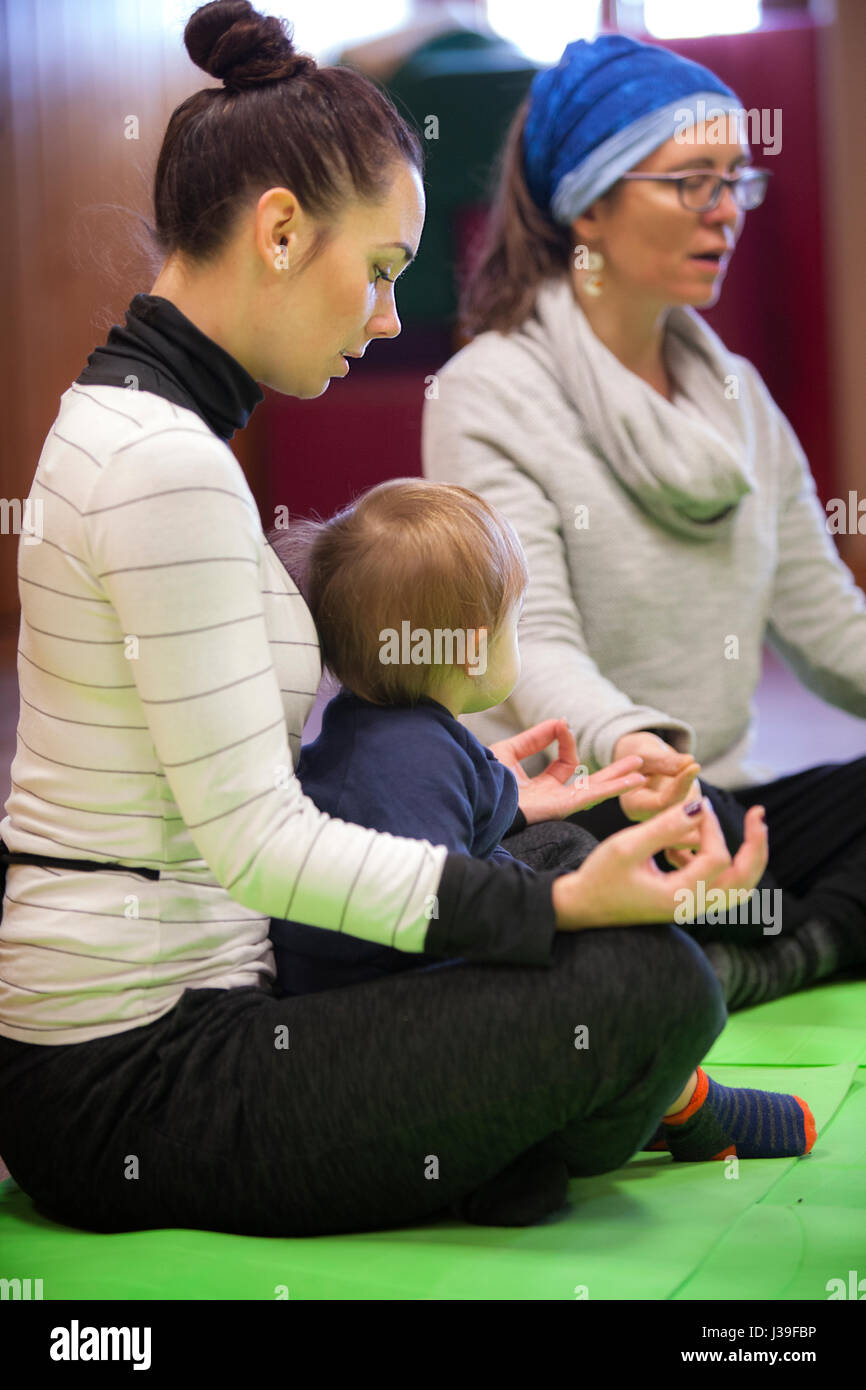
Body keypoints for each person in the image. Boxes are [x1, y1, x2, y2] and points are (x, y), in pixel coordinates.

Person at [0, 1, 771, 1238]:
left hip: (189, 1018)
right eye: (381, 272)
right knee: (639, 977)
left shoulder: (152, 427)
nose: (383, 320)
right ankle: (532, 1132)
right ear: (280, 229)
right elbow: (259, 847)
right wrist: (550, 911)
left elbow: (229, 792)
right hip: (135, 1084)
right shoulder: (161, 462)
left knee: (551, 860)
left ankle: (502, 1141)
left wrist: (502, 811)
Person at [422, 33, 866, 1015]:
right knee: (575, 896)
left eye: (733, 182)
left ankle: (771, 954)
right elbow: (529, 644)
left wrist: (692, 794)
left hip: (715, 808)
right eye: (689, 181)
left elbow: (830, 630)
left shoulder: (736, 397)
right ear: (588, 202)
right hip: (582, 811)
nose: (724, 211)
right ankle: (747, 944)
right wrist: (640, 751)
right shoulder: (483, 393)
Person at [266, 476, 815, 1163]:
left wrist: (526, 798)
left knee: (559, 840)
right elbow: (430, 909)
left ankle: (631, 1093)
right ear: (470, 650)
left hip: (376, 978)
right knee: (636, 964)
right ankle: (656, 1105)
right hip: (387, 1011)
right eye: (514, 623)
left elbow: (456, 818)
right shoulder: (410, 757)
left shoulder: (380, 727)